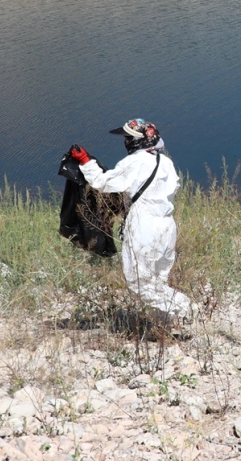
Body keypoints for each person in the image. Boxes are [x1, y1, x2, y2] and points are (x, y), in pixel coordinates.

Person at [68, 118, 193, 323]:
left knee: (138, 283)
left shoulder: (135, 161)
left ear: (137, 141)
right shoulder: (165, 162)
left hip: (144, 225)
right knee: (157, 279)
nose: (126, 141)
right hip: (166, 225)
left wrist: (86, 162)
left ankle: (185, 308)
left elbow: (102, 182)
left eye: (128, 137)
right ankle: (165, 324)